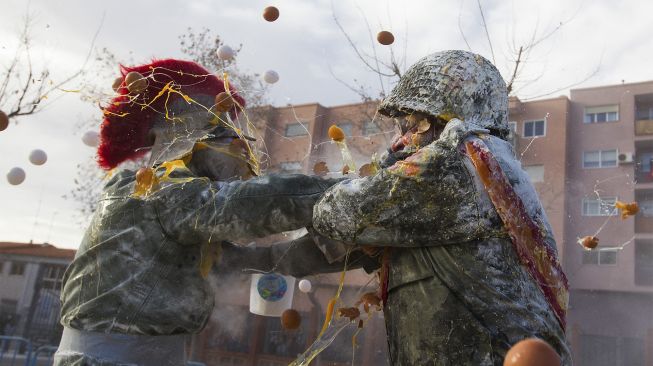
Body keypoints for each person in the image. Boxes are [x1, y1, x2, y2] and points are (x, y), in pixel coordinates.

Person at [54, 59, 349, 366]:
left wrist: (344, 251)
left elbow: (262, 261)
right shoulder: (151, 191)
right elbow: (251, 204)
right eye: (216, 126)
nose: (236, 141)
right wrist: (360, 192)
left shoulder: (182, 215)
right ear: (169, 131)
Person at [284, 50, 571, 365]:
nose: (401, 140)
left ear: (445, 121)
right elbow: (339, 246)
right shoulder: (488, 168)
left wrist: (223, 206)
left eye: (412, 123)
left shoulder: (460, 161)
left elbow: (338, 212)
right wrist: (246, 259)